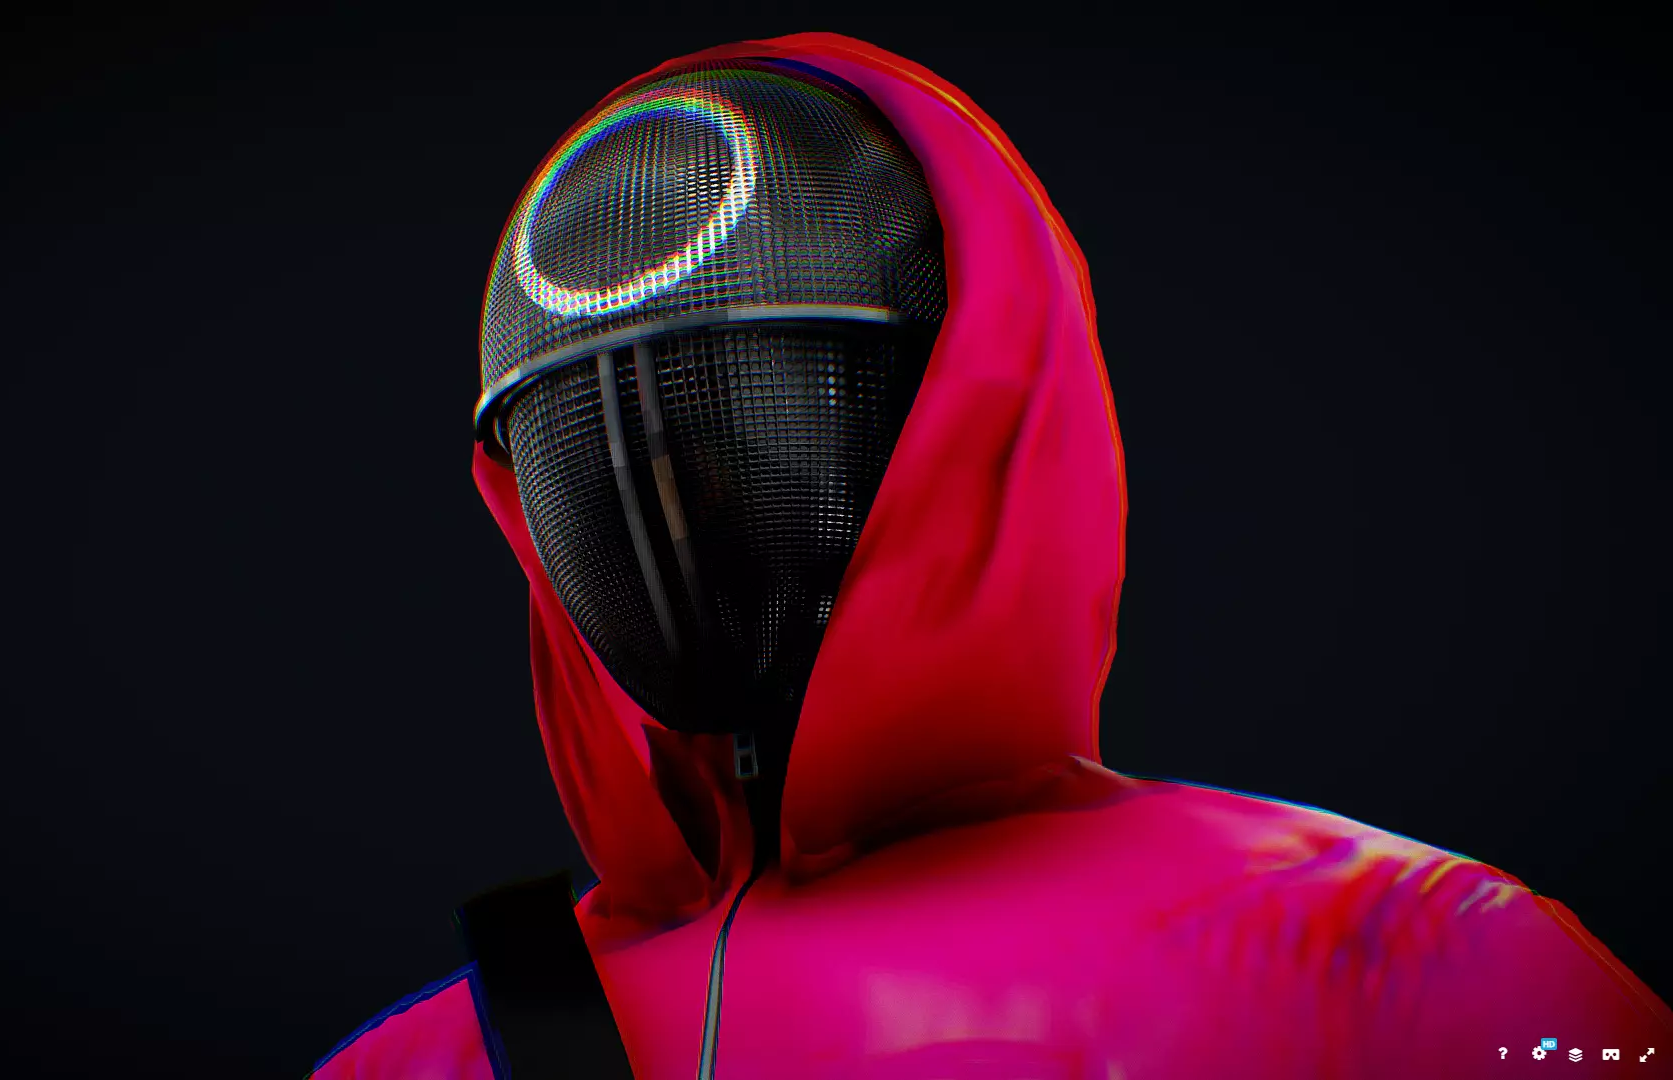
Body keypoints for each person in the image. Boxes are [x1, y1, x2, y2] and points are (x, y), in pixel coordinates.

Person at [309, 32, 1670, 1079]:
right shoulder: (430, 1059)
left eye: (742, 417)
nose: (670, 483)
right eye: (609, 438)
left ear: (985, 405)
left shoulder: (1408, 965)